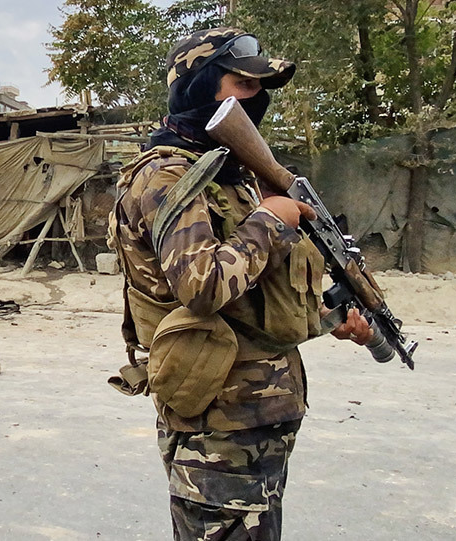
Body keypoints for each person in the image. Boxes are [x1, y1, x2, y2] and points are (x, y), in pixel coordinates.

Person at [108, 28, 372, 540]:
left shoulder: (232, 175)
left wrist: (328, 319)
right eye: (243, 85)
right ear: (200, 88)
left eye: (260, 87)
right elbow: (202, 287)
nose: (257, 99)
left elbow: (255, 295)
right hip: (216, 424)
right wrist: (271, 220)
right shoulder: (167, 175)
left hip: (260, 417)